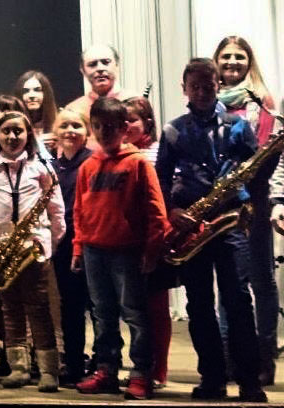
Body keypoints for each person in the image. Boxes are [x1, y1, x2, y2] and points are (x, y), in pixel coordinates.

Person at [155, 58, 266, 402]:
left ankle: (249, 380)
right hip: (192, 223)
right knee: (198, 303)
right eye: (195, 86)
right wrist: (172, 212)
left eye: (208, 85)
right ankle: (212, 378)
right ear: (184, 88)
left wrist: (248, 205)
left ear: (218, 84)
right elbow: (160, 178)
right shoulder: (173, 130)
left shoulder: (238, 126)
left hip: (230, 218)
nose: (202, 92)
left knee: (238, 300)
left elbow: (255, 172)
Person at [72, 98, 167, 400]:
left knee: (135, 314)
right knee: (102, 314)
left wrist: (152, 251)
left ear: (125, 129)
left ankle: (141, 373)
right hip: (93, 251)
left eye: (111, 127)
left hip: (127, 252)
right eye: (98, 127)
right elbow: (79, 212)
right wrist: (78, 249)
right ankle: (106, 369)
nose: (103, 132)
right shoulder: (88, 166)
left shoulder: (138, 163)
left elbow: (156, 211)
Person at [0, 110, 66, 392]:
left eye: (18, 131)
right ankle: (18, 367)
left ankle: (48, 370)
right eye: (6, 131)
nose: (12, 136)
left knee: (40, 309)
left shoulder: (40, 167)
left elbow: (56, 210)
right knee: (10, 310)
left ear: (28, 135)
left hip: (33, 249)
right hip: (2, 250)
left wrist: (49, 243)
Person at [213, 35, 280, 386]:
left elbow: (268, 152)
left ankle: (264, 357)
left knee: (262, 281)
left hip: (254, 199)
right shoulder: (211, 102)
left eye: (239, 57)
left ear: (249, 61)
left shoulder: (263, 102)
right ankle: (231, 357)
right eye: (226, 56)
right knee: (228, 283)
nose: (233, 62)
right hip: (221, 206)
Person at [123, 96, 171, 388]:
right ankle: (140, 365)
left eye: (133, 121)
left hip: (153, 238)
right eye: (123, 121)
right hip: (126, 241)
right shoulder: (117, 152)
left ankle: (159, 369)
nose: (127, 126)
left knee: (156, 307)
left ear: (147, 124)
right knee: (133, 309)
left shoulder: (156, 152)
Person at [51, 108, 92, 386]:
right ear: (55, 133)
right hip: (62, 245)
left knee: (98, 308)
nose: (70, 131)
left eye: (76, 125)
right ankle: (74, 363)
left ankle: (103, 363)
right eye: (64, 125)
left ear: (87, 132)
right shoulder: (52, 167)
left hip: (90, 242)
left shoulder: (92, 162)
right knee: (70, 307)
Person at [66, 44, 136, 149]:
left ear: (117, 65)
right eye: (92, 64)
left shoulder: (135, 102)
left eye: (106, 62)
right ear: (82, 70)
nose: (100, 68)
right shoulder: (73, 110)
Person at [14, 71, 57, 137]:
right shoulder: (12, 125)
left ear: (46, 94)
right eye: (26, 91)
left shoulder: (58, 123)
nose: (31, 95)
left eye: (37, 90)